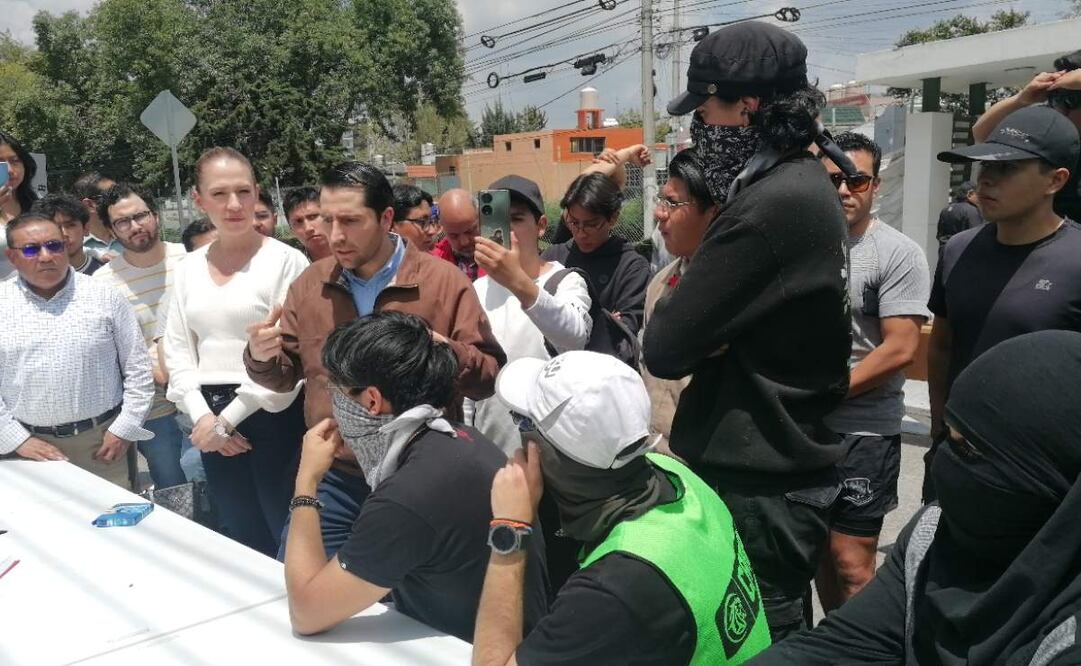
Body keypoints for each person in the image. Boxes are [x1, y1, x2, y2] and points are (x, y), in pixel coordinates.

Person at [645, 22, 851, 640]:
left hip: (762, 488)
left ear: (751, 107)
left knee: (756, 638)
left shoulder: (770, 205)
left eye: (707, 110)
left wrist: (714, 329)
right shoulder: (795, 181)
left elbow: (666, 344)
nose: (699, 126)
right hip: (769, 474)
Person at [753, 330, 1081, 666]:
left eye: (968, 451)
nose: (946, 465)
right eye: (946, 438)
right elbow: (844, 644)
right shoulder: (934, 535)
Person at [244, 161, 505, 559]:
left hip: (422, 474)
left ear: (386, 219)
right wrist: (261, 357)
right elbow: (286, 376)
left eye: (350, 221)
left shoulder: (443, 282)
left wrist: (442, 351)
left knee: (411, 611)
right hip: (337, 475)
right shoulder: (311, 286)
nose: (334, 236)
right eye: (327, 220)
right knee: (297, 591)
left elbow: (488, 376)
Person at [473, 351, 771, 665]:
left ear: (552, 454)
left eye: (523, 422)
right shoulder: (675, 475)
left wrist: (510, 529)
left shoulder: (616, 589)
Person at [283, 311, 546, 641]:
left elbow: (306, 613)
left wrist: (306, 481)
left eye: (337, 390)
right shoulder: (460, 438)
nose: (333, 403)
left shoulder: (407, 496)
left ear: (372, 400)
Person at [925, 104, 1081, 503]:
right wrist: (941, 425)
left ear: (1055, 180)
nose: (987, 180)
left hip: (1043, 475)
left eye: (1007, 168)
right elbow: (943, 343)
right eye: (983, 168)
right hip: (956, 458)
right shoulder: (957, 249)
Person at [164, 147, 309, 556]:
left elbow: (289, 358)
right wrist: (204, 418)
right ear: (198, 200)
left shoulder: (286, 261)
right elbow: (178, 349)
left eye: (243, 192)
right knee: (240, 530)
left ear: (258, 193)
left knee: (284, 529)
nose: (233, 205)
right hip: (206, 415)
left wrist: (227, 421)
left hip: (271, 409)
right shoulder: (188, 268)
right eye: (219, 193)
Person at [813, 133, 931, 612]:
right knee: (818, 552)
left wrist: (825, 394)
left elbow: (900, 348)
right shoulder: (802, 245)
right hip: (805, 429)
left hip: (865, 431)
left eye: (856, 180)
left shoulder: (897, 253)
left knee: (853, 563)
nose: (844, 190)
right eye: (833, 179)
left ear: (875, 185)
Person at [0, 212, 153, 487]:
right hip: (29, 449)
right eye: (31, 249)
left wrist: (124, 428)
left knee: (114, 526)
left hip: (103, 444)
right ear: (12, 257)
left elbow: (138, 368)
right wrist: (17, 440)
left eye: (54, 245)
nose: (46, 256)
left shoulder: (104, 295)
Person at [470, 175, 592, 456]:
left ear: (541, 226)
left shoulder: (565, 281)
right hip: (491, 451)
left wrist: (516, 281)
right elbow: (471, 379)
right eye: (497, 218)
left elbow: (574, 336)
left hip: (557, 452)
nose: (507, 229)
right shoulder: (476, 290)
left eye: (517, 218)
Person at [95, 183, 190, 491]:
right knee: (175, 493)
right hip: (153, 411)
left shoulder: (192, 261)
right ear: (111, 230)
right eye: (123, 222)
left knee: (223, 491)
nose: (135, 226)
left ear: (156, 216)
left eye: (141, 216)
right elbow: (110, 351)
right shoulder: (103, 283)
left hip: (207, 399)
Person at [641, 148, 719, 457]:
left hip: (706, 466)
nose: (659, 214)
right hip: (655, 456)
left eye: (673, 203)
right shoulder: (659, 283)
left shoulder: (733, 292)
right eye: (662, 201)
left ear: (712, 211)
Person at [972, 49, 1081, 223]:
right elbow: (982, 134)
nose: (1060, 109)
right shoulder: (1050, 134)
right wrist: (1021, 100)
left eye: (1071, 99)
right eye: (1057, 98)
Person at [541, 169, 652, 336]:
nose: (581, 232)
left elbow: (623, 331)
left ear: (613, 218)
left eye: (591, 224)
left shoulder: (632, 267)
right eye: (574, 223)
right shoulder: (553, 257)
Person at [30, 193, 105, 275]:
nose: (64, 233)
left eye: (70, 225)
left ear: (86, 229)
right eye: (55, 227)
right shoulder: (29, 278)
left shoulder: (108, 273)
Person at [0, 130, 39, 280]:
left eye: (15, 161)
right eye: (1, 163)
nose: (10, 170)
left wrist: (94, 253)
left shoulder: (38, 203)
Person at [434, 188, 484, 280]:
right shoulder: (434, 263)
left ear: (481, 220)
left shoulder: (505, 254)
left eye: (470, 231)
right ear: (442, 228)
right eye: (454, 236)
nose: (464, 242)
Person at [73, 172, 121, 260]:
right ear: (90, 204)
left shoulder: (135, 236)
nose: (122, 200)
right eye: (113, 196)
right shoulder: (72, 249)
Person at [283, 186, 331, 261]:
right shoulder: (291, 265)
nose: (308, 228)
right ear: (290, 228)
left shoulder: (354, 256)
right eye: (298, 221)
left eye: (313, 217)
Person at [392, 183, 440, 252]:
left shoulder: (438, 261)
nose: (432, 231)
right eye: (422, 222)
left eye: (431, 222)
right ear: (391, 225)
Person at [936, 181, 982, 247]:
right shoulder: (972, 211)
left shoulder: (945, 210)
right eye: (978, 194)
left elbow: (939, 235)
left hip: (944, 252)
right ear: (969, 194)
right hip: (962, 253)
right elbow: (976, 237)